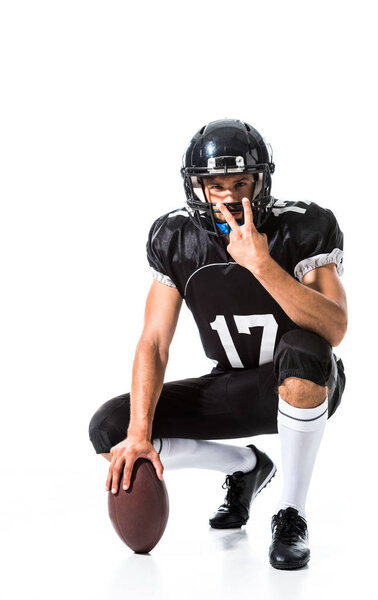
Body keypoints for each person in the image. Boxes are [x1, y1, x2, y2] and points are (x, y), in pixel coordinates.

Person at [89, 119, 347, 570]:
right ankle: (247, 466)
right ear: (197, 188)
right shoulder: (176, 237)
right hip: (230, 386)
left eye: (240, 182)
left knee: (305, 348)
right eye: (216, 185)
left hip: (306, 382)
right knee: (114, 429)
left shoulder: (304, 226)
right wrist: (138, 434)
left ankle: (291, 513)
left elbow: (335, 328)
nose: (229, 196)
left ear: (260, 181)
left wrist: (262, 265)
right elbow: (153, 341)